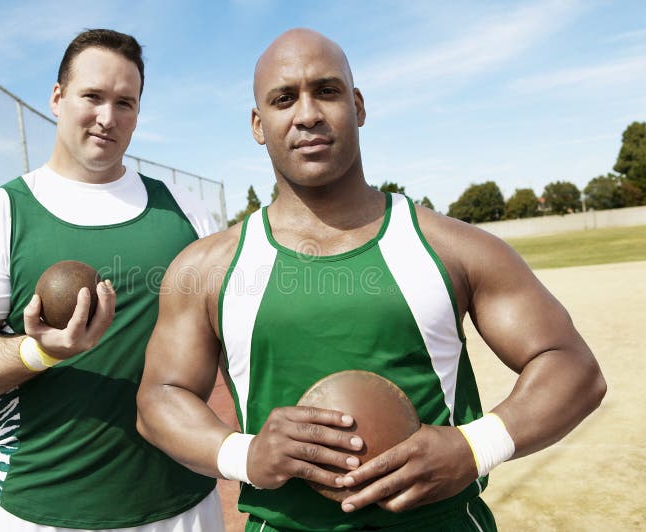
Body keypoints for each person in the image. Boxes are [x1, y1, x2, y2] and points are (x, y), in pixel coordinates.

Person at [135, 28, 606, 531]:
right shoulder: (206, 268)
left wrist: (474, 447)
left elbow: (573, 368)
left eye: (327, 90)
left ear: (358, 106)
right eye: (284, 98)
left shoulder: (453, 246)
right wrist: (244, 455)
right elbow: (159, 398)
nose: (308, 113)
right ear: (258, 123)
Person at [0, 29, 224, 531]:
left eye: (125, 103)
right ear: (58, 97)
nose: (109, 117)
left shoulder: (186, 210)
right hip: (40, 511)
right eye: (93, 96)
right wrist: (40, 351)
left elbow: (231, 337)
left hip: (182, 507)